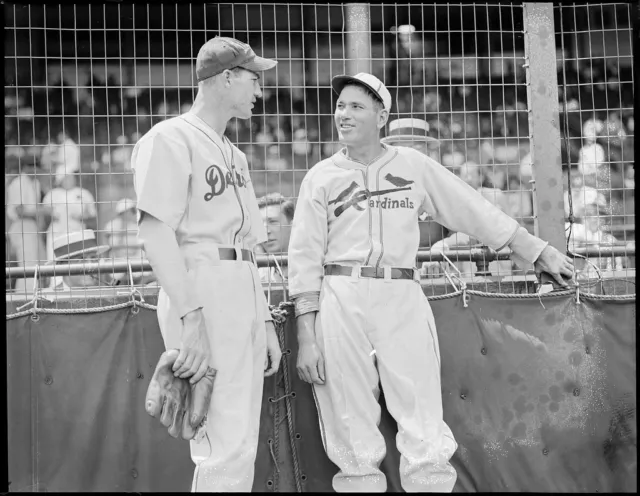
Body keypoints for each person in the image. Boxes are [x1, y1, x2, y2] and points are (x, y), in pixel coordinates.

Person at [288, 72, 574, 493]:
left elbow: (471, 209)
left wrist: (533, 248)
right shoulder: (320, 176)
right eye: (340, 106)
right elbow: (304, 257)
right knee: (348, 424)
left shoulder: (412, 165)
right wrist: (307, 332)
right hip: (339, 292)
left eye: (356, 107)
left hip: (401, 292)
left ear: (382, 116)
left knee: (422, 419)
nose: (343, 115)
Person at [130, 36, 282, 492]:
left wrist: (266, 320)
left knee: (238, 441)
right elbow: (155, 233)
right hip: (203, 287)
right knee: (220, 443)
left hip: (241, 288)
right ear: (226, 78)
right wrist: (189, 315)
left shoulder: (234, 153)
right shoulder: (168, 138)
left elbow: (250, 247)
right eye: (254, 77)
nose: (260, 87)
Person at [42, 171, 97, 287]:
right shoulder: (53, 194)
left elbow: (92, 215)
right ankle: (56, 288)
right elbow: (44, 214)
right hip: (56, 234)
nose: (69, 179)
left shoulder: (83, 193)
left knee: (78, 262)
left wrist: (81, 217)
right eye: (65, 177)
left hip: (77, 235)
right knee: (56, 262)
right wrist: (51, 215)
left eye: (70, 177)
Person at [6, 154, 47, 293]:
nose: (36, 169)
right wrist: (43, 211)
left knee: (40, 263)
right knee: (28, 266)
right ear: (26, 167)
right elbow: (19, 210)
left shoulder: (35, 183)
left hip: (33, 226)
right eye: (32, 166)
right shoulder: (18, 183)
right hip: (21, 225)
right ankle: (24, 297)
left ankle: (37, 296)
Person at [255, 193, 295, 284]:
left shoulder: (315, 268)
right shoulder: (257, 277)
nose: (265, 230)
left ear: (292, 225)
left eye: (273, 222)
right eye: (260, 224)